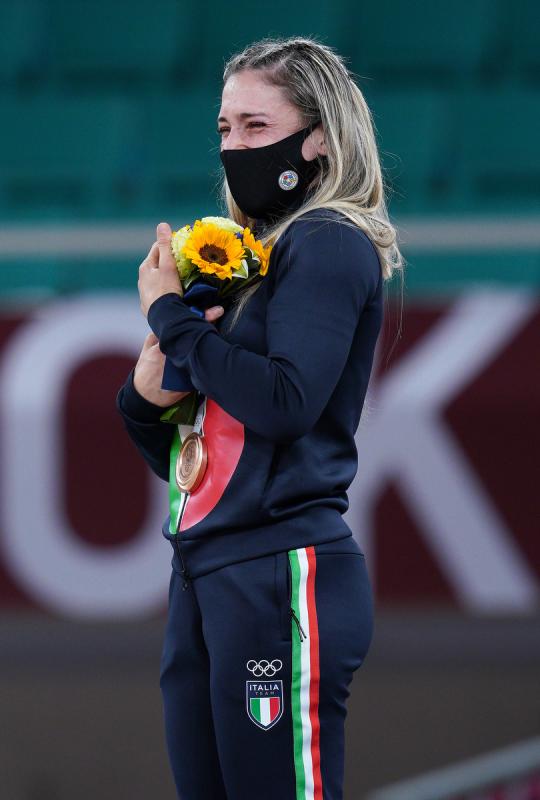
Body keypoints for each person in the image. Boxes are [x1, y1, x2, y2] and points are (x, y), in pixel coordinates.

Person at [116, 36, 403, 800]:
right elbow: (199, 462)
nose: (233, 146)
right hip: (207, 568)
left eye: (255, 127)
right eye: (223, 129)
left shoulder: (327, 241)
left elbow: (285, 404)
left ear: (318, 137)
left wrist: (174, 321)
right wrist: (145, 402)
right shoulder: (252, 258)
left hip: (282, 573)